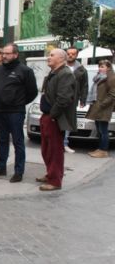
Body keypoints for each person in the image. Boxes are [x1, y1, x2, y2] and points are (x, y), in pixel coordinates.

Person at [0, 43, 38, 183]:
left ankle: (19, 172)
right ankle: (1, 167)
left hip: (15, 112)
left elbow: (32, 93)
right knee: (2, 140)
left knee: (18, 142)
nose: (4, 56)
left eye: (7, 54)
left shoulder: (25, 71)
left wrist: (18, 102)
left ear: (15, 54)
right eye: (3, 54)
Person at [38, 49, 76, 191]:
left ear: (61, 58)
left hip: (54, 118)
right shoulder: (54, 73)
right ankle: (50, 174)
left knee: (54, 150)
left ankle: (55, 181)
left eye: (52, 55)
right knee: (46, 149)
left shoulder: (65, 74)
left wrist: (53, 115)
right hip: (47, 116)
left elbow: (64, 98)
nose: (49, 57)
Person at [85, 60, 115, 158]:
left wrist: (102, 104)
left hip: (104, 108)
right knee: (99, 129)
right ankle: (100, 149)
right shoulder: (100, 78)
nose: (100, 68)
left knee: (103, 130)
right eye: (100, 66)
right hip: (98, 107)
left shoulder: (111, 78)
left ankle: (103, 150)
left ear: (109, 68)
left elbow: (112, 94)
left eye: (102, 67)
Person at [62, 47, 89, 153]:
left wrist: (83, 99)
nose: (70, 55)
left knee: (69, 122)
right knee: (57, 121)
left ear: (77, 55)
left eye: (73, 54)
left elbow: (84, 86)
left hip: (72, 99)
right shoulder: (60, 66)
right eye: (68, 53)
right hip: (59, 98)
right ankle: (57, 143)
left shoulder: (81, 69)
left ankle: (64, 143)